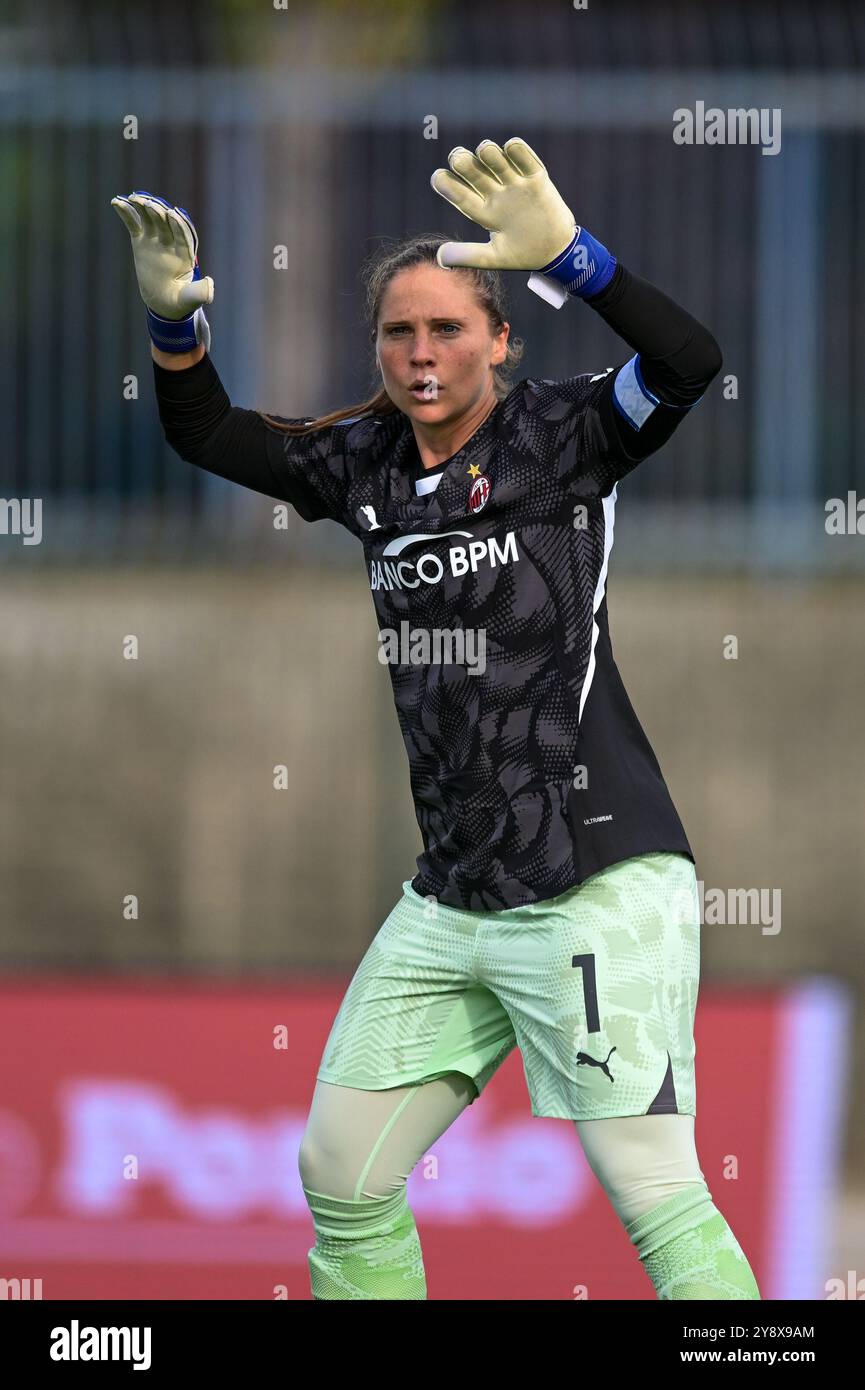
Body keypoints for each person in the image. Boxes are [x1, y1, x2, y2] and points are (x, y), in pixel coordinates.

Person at [112, 139, 760, 1301]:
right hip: (454, 891)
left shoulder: (565, 435)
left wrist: (576, 258)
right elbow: (210, 435)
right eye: (399, 333)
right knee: (341, 1171)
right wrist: (173, 330)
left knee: (653, 1187)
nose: (421, 354)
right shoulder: (362, 461)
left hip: (591, 877)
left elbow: (690, 360)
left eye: (449, 329)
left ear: (501, 340)